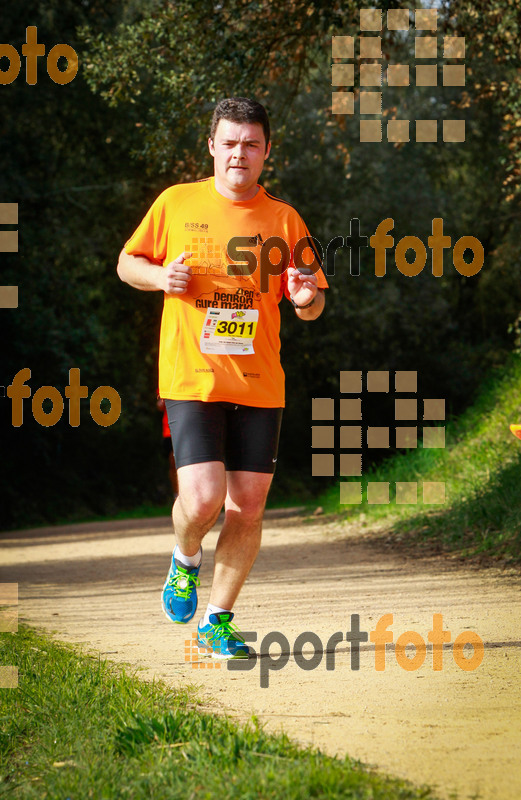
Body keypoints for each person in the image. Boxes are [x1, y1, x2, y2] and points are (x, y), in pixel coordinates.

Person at [117, 97, 327, 659]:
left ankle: (217, 619)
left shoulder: (285, 220)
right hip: (192, 376)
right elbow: (126, 262)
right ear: (212, 146)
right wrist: (161, 276)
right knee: (204, 497)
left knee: (249, 504)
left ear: (265, 152)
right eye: (230, 142)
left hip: (259, 381)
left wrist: (305, 297)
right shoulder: (176, 202)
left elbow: (310, 299)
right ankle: (185, 558)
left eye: (251, 143)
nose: (240, 152)